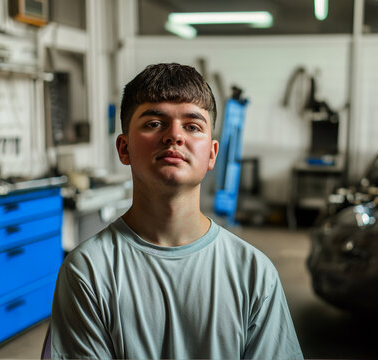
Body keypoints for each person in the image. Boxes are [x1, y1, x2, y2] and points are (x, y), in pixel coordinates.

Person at [50, 63, 303, 359]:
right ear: (124, 148)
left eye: (192, 126)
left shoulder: (254, 274)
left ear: (211, 153)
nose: (174, 136)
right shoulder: (88, 272)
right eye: (154, 123)